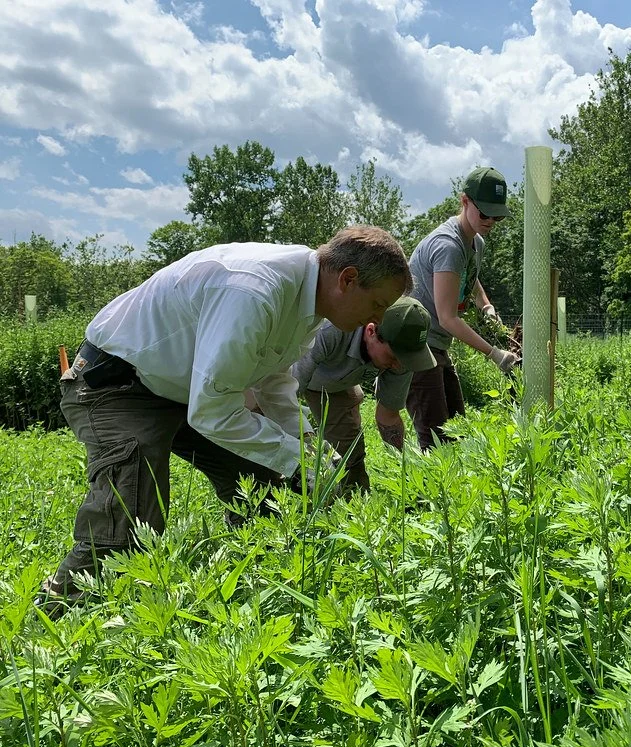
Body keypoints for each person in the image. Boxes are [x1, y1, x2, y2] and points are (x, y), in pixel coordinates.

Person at [39, 225, 411, 614]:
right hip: (119, 385)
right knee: (131, 516)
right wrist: (296, 458)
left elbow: (274, 379)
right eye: (378, 304)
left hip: (186, 389)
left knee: (267, 485)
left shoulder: (310, 301)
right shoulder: (254, 290)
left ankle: (260, 599)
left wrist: (307, 447)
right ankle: (54, 621)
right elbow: (213, 411)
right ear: (348, 279)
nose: (379, 317)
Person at [406, 166, 519, 450]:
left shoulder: (474, 241)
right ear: (465, 201)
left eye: (497, 216)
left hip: (437, 344)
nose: (491, 221)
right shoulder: (447, 245)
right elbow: (447, 318)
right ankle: (430, 493)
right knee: (437, 439)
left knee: (457, 426)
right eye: (484, 213)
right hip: (417, 344)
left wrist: (486, 306)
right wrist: (494, 354)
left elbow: (469, 275)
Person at [291, 296, 436, 493]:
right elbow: (283, 394)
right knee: (272, 454)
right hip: (286, 373)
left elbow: (388, 416)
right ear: (370, 331)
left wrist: (408, 468)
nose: (398, 365)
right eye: (393, 357)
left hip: (337, 385)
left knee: (350, 455)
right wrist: (303, 443)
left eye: (405, 359)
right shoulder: (329, 329)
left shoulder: (402, 356)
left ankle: (353, 507)